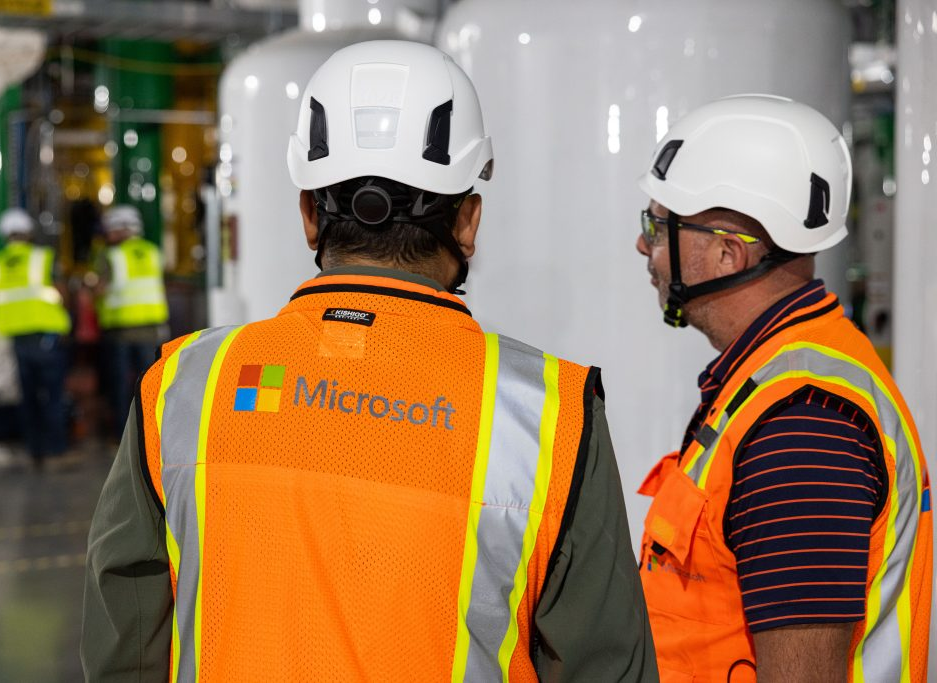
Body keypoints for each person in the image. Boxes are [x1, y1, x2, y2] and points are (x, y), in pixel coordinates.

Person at [82, 41, 656, 682]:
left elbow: (124, 637)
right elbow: (608, 666)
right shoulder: (551, 416)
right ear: (467, 221)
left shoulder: (188, 384)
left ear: (309, 215)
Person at [634, 94, 932, 682]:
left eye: (659, 226)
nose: (645, 246)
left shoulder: (802, 427)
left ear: (727, 253)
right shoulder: (771, 382)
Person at [0, 208, 71, 467]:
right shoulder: (42, 258)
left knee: (29, 396)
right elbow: (62, 293)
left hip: (18, 340)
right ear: (29, 233)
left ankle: (35, 451)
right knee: (52, 395)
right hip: (46, 336)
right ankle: (56, 451)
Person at [92, 204, 169, 436]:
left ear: (121, 228)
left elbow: (99, 289)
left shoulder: (110, 256)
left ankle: (123, 435)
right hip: (151, 328)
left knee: (120, 385)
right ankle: (151, 434)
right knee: (150, 383)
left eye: (111, 230)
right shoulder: (153, 252)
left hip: (121, 330)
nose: (108, 235)